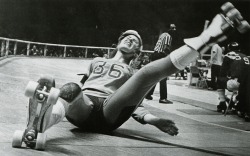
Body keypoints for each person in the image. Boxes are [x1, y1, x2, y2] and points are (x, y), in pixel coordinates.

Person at [24, 2, 250, 139]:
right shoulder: (96, 61)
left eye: (136, 41)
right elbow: (80, 88)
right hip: (83, 108)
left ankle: (208, 37)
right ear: (119, 41)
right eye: (128, 38)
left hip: (109, 111)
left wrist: (153, 120)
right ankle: (38, 125)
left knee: (146, 74)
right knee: (69, 87)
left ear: (137, 52)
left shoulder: (131, 71)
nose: (132, 41)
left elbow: (135, 106)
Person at [216, 42, 250, 121]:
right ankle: (234, 101)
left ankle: (222, 103)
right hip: (247, 85)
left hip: (236, 83)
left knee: (219, 79)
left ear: (229, 49)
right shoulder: (245, 56)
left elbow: (222, 73)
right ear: (239, 49)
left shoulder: (228, 55)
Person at [145, 25, 176, 104]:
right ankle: (163, 98)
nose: (174, 30)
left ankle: (148, 94)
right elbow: (166, 48)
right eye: (173, 28)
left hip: (155, 54)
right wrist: (169, 57)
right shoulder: (168, 36)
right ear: (169, 29)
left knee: (155, 76)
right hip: (160, 55)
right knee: (163, 77)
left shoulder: (162, 35)